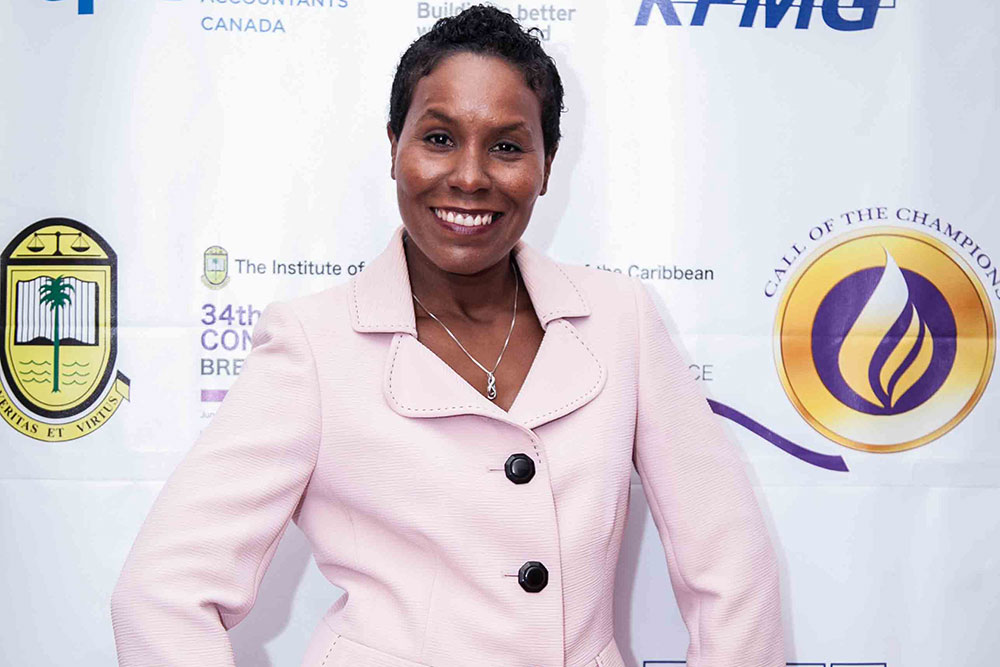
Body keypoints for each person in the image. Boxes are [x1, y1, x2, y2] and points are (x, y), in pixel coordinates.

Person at [110, 6, 784, 666]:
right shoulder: (312, 345)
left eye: (507, 146)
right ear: (394, 148)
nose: (469, 176)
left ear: (547, 165)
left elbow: (730, 560)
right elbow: (163, 591)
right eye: (438, 138)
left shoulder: (621, 320)